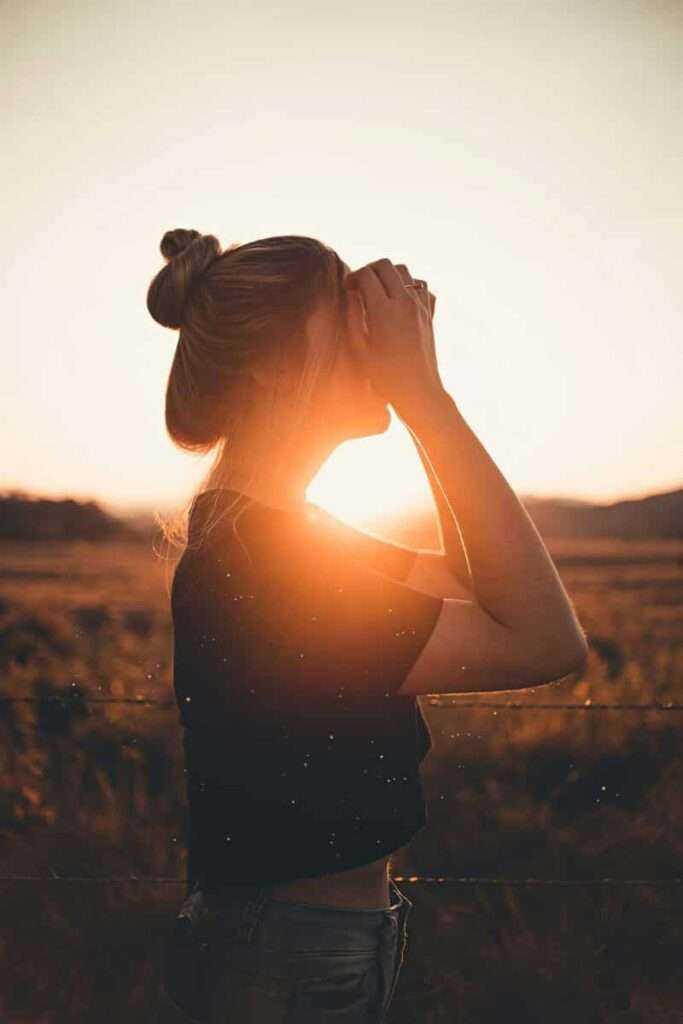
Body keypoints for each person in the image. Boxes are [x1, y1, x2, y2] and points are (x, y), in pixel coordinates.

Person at [146, 232, 589, 1022]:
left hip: (298, 944)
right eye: (345, 314)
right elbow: (542, 640)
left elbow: (473, 579)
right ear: (276, 362)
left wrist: (421, 396)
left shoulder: (279, 536)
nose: (374, 334)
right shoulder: (262, 564)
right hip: (285, 955)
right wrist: (425, 398)